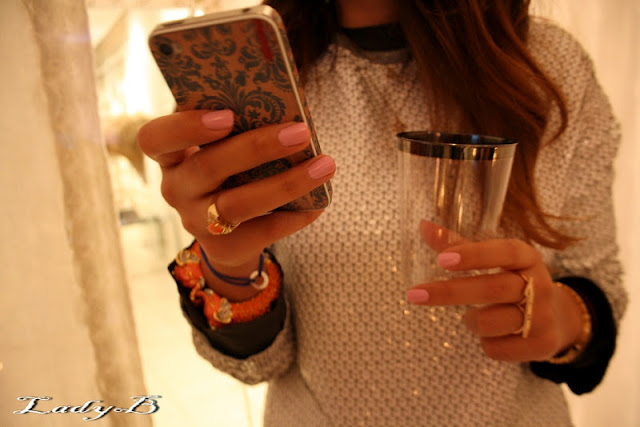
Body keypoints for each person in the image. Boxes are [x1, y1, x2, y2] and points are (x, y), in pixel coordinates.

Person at [137, 0, 627, 425]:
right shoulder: (263, 79)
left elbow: (598, 282)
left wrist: (562, 320)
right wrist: (229, 268)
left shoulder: (546, 66)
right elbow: (261, 362)